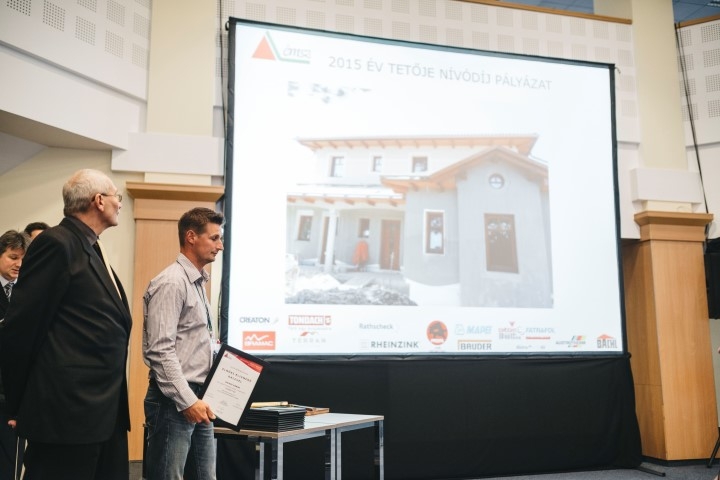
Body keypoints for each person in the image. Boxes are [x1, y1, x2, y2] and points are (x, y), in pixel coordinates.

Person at [0, 169, 132, 480]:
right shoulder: (57, 243)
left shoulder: (91, 245)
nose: (119, 203)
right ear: (98, 201)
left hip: (101, 412)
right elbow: (22, 328)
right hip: (67, 417)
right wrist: (18, 404)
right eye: (116, 196)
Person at [143, 207, 224, 480]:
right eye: (214, 238)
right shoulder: (172, 282)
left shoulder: (197, 282)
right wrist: (187, 401)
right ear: (191, 237)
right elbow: (160, 351)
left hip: (199, 396)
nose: (220, 246)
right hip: (174, 399)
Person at [0, 230, 29, 480]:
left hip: (12, 394)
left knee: (10, 464)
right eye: (12, 257)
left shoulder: (28, 292)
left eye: (22, 258)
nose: (18, 264)